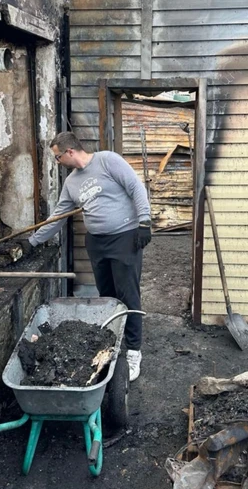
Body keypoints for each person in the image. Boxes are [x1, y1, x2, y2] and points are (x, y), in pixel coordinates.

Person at [19, 131, 151, 381]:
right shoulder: (71, 183)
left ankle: (134, 352)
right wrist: (32, 241)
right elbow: (57, 217)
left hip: (125, 237)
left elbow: (136, 187)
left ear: (69, 152)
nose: (57, 162)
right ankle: (114, 343)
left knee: (128, 294)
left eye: (58, 158)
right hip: (97, 243)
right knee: (108, 296)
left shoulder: (107, 161)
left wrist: (144, 221)